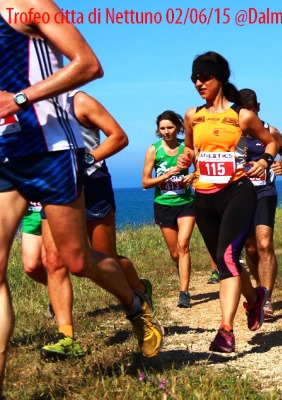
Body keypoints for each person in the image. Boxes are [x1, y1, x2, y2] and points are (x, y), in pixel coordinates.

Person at [0, 0, 162, 393]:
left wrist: (20, 99)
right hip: (5, 152)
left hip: (50, 152)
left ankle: (135, 304)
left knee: (76, 259)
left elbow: (88, 64)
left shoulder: (27, 6)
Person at [39, 90, 153, 358]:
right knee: (53, 261)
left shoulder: (79, 101)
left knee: (104, 258)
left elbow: (119, 137)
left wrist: (85, 160)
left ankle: (139, 293)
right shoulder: (31, 106)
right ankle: (66, 337)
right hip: (56, 188)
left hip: (92, 184)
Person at [177, 51, 277, 353]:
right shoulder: (192, 115)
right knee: (225, 263)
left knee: (228, 259)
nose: (198, 82)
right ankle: (256, 298)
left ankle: (225, 330)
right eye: (194, 77)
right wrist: (188, 159)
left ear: (219, 78)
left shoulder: (241, 115)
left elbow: (271, 141)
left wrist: (266, 160)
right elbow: (192, 150)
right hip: (204, 197)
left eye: (204, 76)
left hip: (237, 191)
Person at [239, 88, 282, 319]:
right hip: (241, 195)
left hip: (265, 192)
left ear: (258, 108)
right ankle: (259, 289)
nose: (249, 116)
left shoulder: (271, 131)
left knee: (264, 243)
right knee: (250, 248)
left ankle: (267, 298)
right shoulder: (233, 134)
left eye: (252, 110)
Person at [142, 110, 196, 308]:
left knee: (183, 245)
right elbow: (145, 182)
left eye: (170, 127)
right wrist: (165, 176)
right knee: (175, 252)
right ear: (158, 130)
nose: (166, 132)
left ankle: (184, 292)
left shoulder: (187, 148)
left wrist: (193, 176)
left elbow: (200, 169)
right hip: (164, 204)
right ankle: (179, 266)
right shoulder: (153, 151)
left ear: (178, 128)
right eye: (162, 128)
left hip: (186, 202)